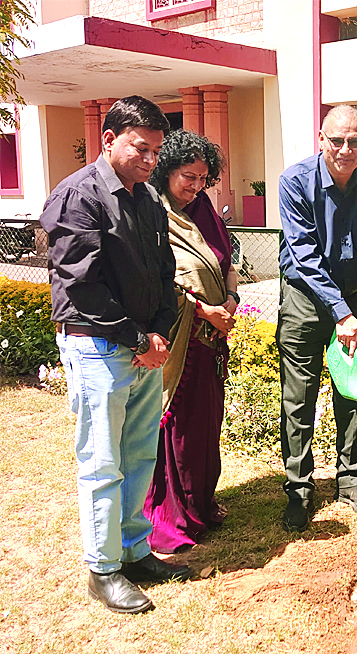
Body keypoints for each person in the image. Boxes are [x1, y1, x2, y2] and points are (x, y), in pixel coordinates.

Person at [41, 96, 192, 615]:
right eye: (140, 148)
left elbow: (163, 270)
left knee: (138, 455)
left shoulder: (146, 197)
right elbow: (83, 287)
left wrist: (156, 332)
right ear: (109, 140)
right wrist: (137, 339)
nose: (151, 160)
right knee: (102, 462)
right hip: (98, 347)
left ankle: (133, 549)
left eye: (156, 150)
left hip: (141, 347)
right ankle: (103, 570)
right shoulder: (77, 198)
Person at [277, 105, 357, 532]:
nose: (347, 149)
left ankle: (351, 479)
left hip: (356, 299)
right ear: (321, 139)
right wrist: (340, 313)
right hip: (306, 296)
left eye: (356, 140)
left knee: (352, 387)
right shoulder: (295, 181)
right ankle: (299, 488)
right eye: (337, 140)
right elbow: (304, 256)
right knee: (299, 395)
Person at [144, 130, 239, 553]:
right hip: (179, 342)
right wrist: (205, 312)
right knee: (178, 427)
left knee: (205, 426)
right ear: (167, 172)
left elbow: (226, 262)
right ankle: (172, 515)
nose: (196, 186)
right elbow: (160, 281)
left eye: (203, 178)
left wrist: (232, 300)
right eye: (188, 176)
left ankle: (201, 502)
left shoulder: (205, 211)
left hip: (211, 343)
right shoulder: (152, 212)